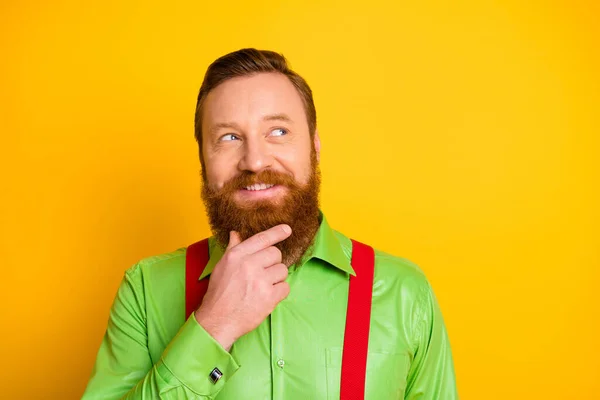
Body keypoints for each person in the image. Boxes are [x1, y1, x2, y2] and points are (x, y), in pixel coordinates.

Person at [82, 48, 458, 399]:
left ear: (313, 146)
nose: (255, 161)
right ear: (203, 161)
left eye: (278, 131)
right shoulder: (145, 292)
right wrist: (214, 326)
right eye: (229, 137)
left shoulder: (405, 294)